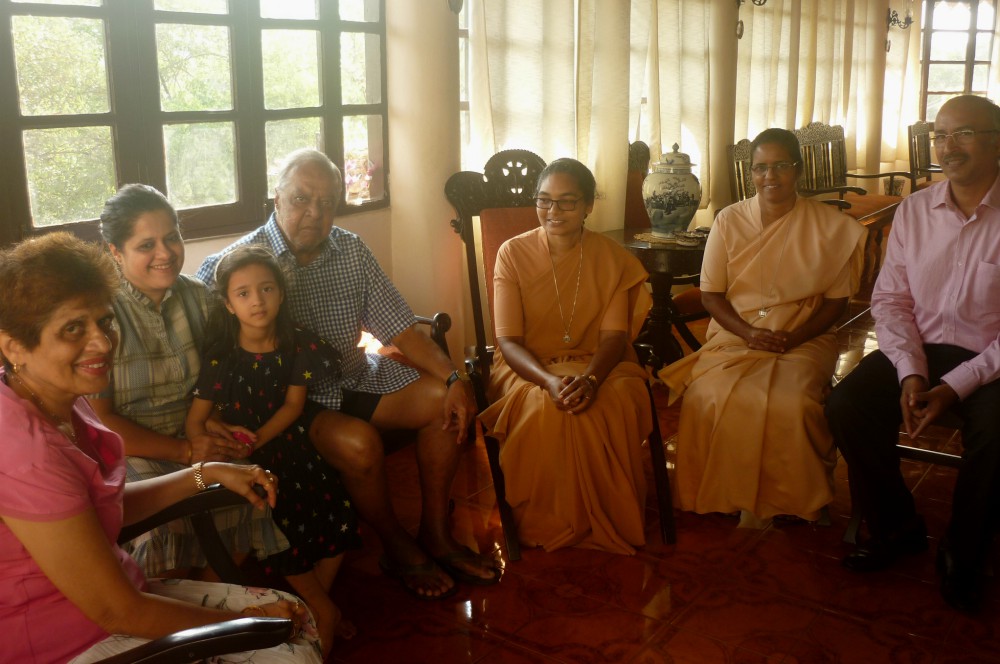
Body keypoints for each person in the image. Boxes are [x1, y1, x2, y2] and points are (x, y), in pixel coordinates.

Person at [0, 232, 319, 663]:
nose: (101, 342)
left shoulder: (60, 399)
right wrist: (253, 623)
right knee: (285, 646)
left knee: (295, 616)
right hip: (70, 640)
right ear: (14, 346)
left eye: (105, 321)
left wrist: (204, 473)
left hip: (113, 599)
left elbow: (95, 513)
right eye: (73, 328)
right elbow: (117, 611)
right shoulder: (24, 450)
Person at [197, 148, 499, 599]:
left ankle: (435, 533)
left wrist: (455, 379)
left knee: (442, 403)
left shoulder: (350, 250)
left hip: (355, 375)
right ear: (275, 199)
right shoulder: (235, 267)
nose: (314, 214)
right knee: (360, 445)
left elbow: (400, 326)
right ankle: (395, 545)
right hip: (291, 402)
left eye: (326, 202)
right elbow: (209, 362)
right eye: (301, 199)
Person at [826, 95, 1000, 612]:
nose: (948, 147)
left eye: (964, 133)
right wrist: (911, 374)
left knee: (996, 433)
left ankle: (964, 551)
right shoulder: (915, 210)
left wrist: (956, 386)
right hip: (920, 349)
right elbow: (891, 299)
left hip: (990, 361)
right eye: (940, 135)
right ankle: (897, 525)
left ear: (996, 140)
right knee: (847, 405)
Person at [659, 128, 866, 528]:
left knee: (791, 401)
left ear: (798, 170)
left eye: (781, 166)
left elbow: (837, 302)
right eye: (760, 168)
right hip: (736, 335)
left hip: (805, 336)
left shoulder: (830, 225)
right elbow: (711, 295)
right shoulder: (728, 220)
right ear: (750, 173)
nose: (770, 177)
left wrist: (796, 337)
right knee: (709, 394)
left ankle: (794, 499)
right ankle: (720, 494)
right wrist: (748, 332)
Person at [88, 184, 289, 577]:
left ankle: (217, 605)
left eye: (172, 237)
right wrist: (184, 452)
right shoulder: (102, 316)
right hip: (128, 449)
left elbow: (216, 379)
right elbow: (99, 423)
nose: (164, 253)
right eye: (146, 245)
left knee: (251, 490)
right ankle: (176, 620)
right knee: (165, 525)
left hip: (195, 435)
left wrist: (211, 421)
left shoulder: (202, 298)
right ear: (116, 252)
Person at [187, 245, 361, 655]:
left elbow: (294, 406)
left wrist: (260, 438)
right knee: (275, 516)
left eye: (266, 289)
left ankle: (319, 604)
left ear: (281, 294)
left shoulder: (296, 343)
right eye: (243, 293)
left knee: (337, 511)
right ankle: (319, 607)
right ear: (228, 304)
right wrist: (223, 434)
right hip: (243, 459)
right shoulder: (222, 356)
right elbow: (196, 419)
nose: (257, 300)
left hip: (286, 442)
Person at [478, 158, 654, 554]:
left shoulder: (613, 258)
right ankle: (547, 520)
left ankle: (606, 516)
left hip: (600, 363)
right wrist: (550, 381)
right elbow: (507, 341)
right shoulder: (512, 253)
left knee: (611, 402)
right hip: (527, 366)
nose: (553, 212)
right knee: (545, 407)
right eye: (544, 201)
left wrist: (591, 378)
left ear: (589, 205)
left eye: (567, 202)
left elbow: (613, 337)